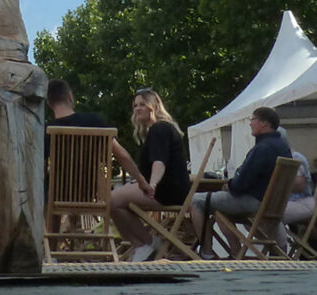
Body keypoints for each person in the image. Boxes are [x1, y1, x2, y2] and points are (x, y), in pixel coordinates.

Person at [45, 80, 155, 243]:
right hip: (91, 193)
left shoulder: (46, 130)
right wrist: (141, 181)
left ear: (48, 103)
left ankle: (51, 248)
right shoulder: (94, 121)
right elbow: (121, 155)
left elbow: (39, 169)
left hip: (58, 195)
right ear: (70, 97)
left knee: (49, 193)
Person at [190, 106, 291, 258]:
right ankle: (236, 253)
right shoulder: (283, 148)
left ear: (264, 123)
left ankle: (206, 253)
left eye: (253, 119)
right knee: (220, 206)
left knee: (196, 200)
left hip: (253, 202)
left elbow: (240, 184)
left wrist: (228, 185)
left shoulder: (262, 148)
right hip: (271, 204)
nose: (250, 123)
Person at [110, 89, 190, 262]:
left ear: (153, 107)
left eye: (142, 105)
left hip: (166, 191)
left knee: (111, 200)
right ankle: (144, 244)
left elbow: (159, 162)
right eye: (135, 106)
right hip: (173, 190)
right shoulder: (162, 129)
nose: (137, 109)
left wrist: (152, 184)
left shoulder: (159, 129)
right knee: (118, 201)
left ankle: (146, 244)